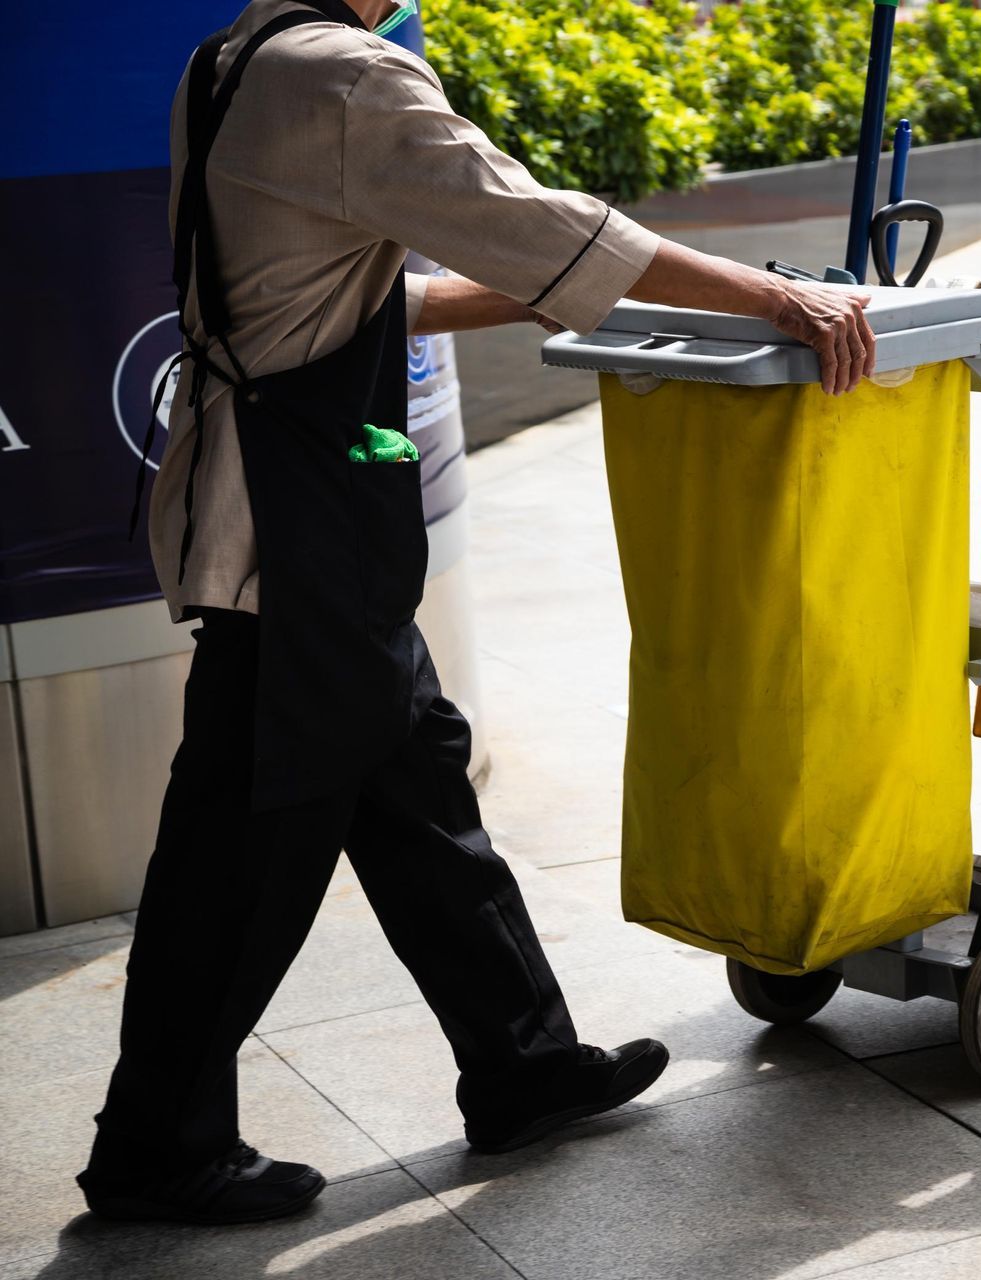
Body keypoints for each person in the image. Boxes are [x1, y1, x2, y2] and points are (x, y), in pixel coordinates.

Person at [78, 0, 877, 1227]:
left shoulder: (228, 60)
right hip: (293, 537)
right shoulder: (347, 76)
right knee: (240, 844)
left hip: (292, 504)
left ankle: (524, 1064)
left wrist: (530, 291)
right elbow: (550, 224)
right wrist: (776, 299)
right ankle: (154, 1144)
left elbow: (337, 285)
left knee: (416, 787)